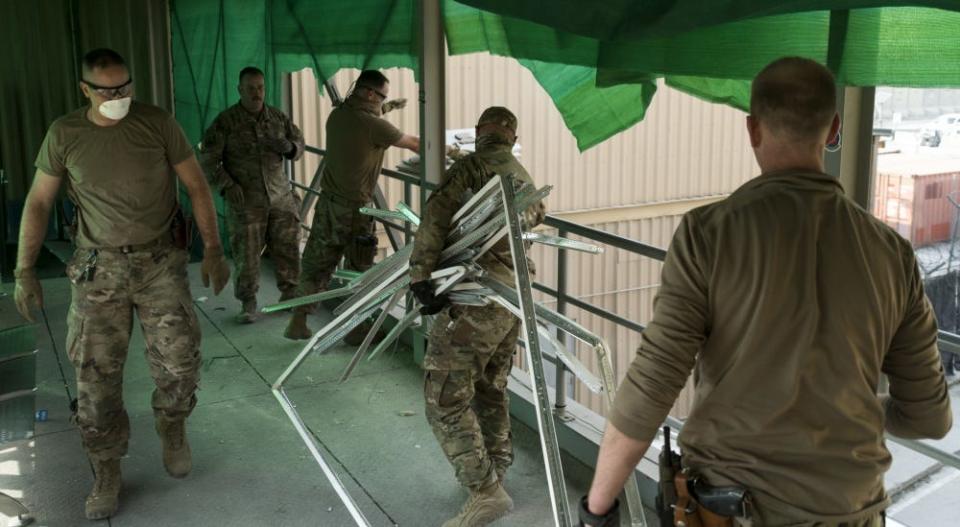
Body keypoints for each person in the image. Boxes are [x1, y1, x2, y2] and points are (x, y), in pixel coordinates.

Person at [579, 57, 953, 527]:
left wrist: (597, 508)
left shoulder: (708, 234)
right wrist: (846, 409)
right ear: (834, 129)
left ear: (753, 129)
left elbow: (655, 381)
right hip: (853, 511)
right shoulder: (892, 253)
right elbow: (930, 419)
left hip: (732, 508)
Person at [12, 48, 230, 521]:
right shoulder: (65, 134)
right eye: (107, 90)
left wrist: (213, 249)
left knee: (180, 363)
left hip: (159, 265)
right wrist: (24, 271)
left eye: (125, 87)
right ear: (85, 90)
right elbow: (38, 203)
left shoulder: (157, 123)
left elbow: (196, 187)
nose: (119, 97)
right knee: (95, 380)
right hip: (98, 271)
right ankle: (107, 469)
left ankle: (172, 426)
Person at [409, 107, 546, 527]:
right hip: (511, 300)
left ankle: (485, 492)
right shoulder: (522, 174)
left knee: (444, 396)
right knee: (490, 386)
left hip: (473, 300)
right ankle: (496, 470)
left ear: (478, 133)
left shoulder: (470, 168)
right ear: (511, 135)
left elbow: (435, 216)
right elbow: (538, 216)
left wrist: (421, 276)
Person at [284, 69, 419, 341]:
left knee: (316, 265)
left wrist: (388, 108)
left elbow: (366, 120)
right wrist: (455, 152)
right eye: (382, 97)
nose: (383, 102)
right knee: (359, 270)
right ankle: (355, 330)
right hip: (355, 212)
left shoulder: (338, 116)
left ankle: (298, 322)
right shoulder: (374, 126)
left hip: (328, 205)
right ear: (370, 93)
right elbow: (414, 143)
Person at [200, 66, 305, 323]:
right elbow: (206, 160)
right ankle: (248, 303)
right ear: (240, 89)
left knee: (288, 250)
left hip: (280, 197)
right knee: (247, 255)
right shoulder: (226, 122)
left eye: (260, 87)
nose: (256, 93)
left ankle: (290, 295)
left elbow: (299, 144)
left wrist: (290, 147)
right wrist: (227, 185)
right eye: (250, 88)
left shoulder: (278, 118)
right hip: (247, 202)